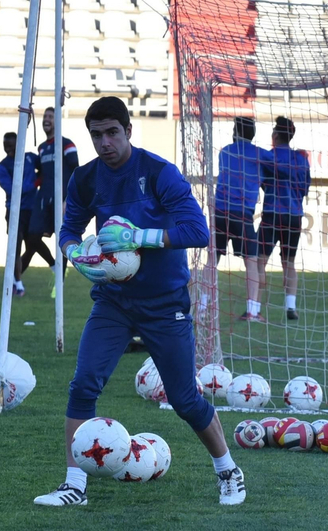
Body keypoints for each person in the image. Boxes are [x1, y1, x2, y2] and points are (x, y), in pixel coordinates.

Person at [33, 96, 245, 508]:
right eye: (96, 135)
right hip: (113, 302)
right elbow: (69, 229)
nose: (105, 142)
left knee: (184, 399)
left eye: (113, 133)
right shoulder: (86, 178)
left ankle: (228, 470)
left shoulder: (159, 172)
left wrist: (138, 237)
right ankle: (74, 486)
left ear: (128, 131)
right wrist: (77, 255)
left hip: (165, 304)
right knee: (83, 384)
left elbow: (197, 231)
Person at [215, 115, 268, 321]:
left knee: (212, 259)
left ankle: (202, 304)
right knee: (251, 261)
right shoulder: (260, 155)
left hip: (220, 211)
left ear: (236, 132)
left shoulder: (225, 152)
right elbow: (277, 167)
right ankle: (252, 310)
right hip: (242, 213)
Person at [260, 115, 311, 321]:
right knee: (289, 262)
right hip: (294, 215)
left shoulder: (268, 157)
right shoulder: (301, 159)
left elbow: (262, 182)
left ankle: (254, 307)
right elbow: (305, 187)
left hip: (272, 213)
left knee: (259, 261)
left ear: (275, 135)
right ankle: (291, 307)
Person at [0, 131, 54, 296]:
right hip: (15, 210)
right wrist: (35, 183)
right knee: (15, 247)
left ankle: (54, 267)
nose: (8, 148)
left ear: (19, 144)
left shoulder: (30, 158)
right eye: (5, 144)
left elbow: (45, 167)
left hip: (33, 209)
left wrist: (43, 177)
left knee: (33, 243)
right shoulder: (2, 166)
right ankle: (18, 283)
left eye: (11, 144)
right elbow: (12, 189)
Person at [34, 106, 79, 299]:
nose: (47, 119)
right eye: (45, 116)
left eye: (51, 116)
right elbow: (42, 174)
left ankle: (59, 283)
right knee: (32, 235)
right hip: (44, 199)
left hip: (62, 200)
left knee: (63, 240)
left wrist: (69, 199)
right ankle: (54, 266)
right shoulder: (41, 148)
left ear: (57, 121)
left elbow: (76, 171)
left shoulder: (67, 144)